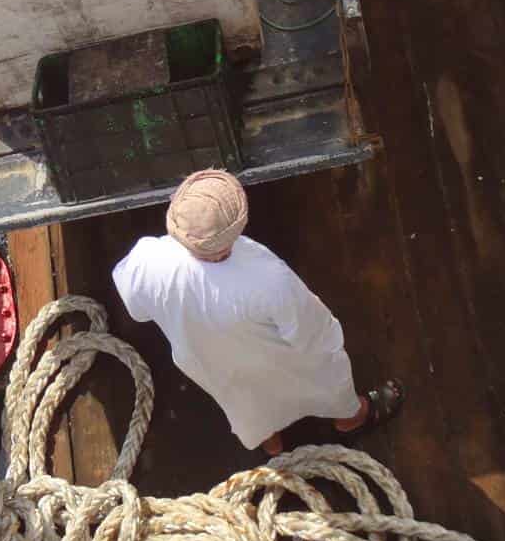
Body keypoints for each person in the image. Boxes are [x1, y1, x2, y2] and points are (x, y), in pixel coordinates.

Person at [112, 169, 404, 455]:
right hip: (280, 357)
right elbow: (312, 333)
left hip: (211, 364)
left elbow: (137, 311)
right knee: (325, 378)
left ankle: (272, 444)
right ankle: (350, 418)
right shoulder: (266, 274)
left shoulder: (146, 260)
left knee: (247, 406)